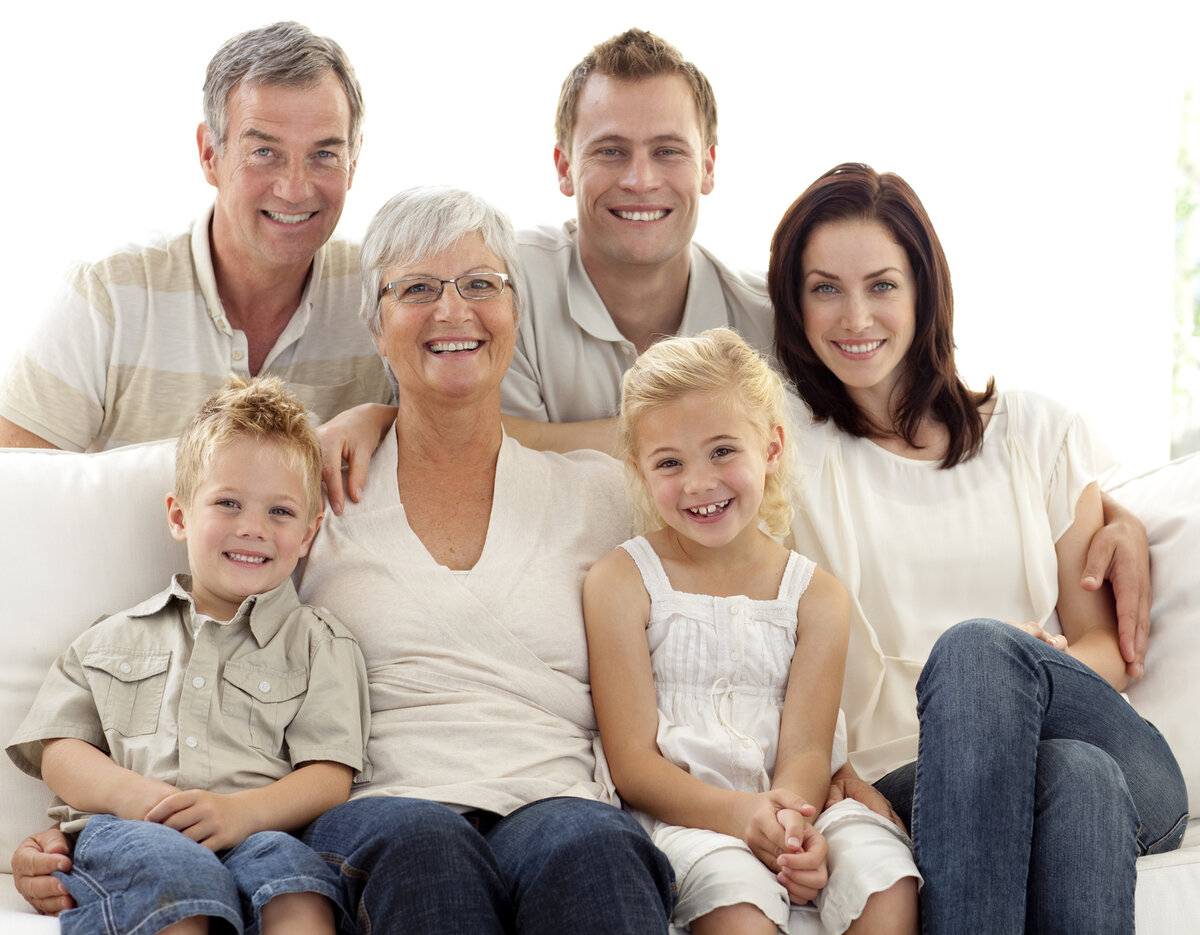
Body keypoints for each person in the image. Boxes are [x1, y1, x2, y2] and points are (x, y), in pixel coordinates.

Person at [768, 163, 1188, 931]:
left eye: (883, 285)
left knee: (980, 657)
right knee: (1076, 776)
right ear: (794, 303)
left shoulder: (1035, 431)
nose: (855, 315)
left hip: (1126, 763)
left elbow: (1103, 646)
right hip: (907, 778)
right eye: (825, 287)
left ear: (926, 290)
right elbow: (645, 429)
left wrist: (1021, 662)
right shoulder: (780, 449)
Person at [6, 375, 371, 935]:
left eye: (280, 512)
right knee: (175, 879)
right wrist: (137, 797)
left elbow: (328, 775)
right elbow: (59, 748)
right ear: (179, 516)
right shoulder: (112, 638)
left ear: (308, 533)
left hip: (260, 831)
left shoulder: (319, 643)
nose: (253, 528)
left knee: (299, 889)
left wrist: (243, 813)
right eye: (228, 503)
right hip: (133, 830)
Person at [584, 328, 919, 934]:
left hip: (800, 804)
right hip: (686, 817)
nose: (698, 483)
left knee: (884, 876)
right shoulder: (621, 581)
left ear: (770, 447)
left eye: (721, 451)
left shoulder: (817, 596)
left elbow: (809, 750)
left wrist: (790, 823)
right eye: (669, 462)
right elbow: (633, 763)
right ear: (638, 467)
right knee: (735, 899)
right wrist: (745, 817)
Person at [0, 21, 392, 453]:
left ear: (353, 163)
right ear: (210, 155)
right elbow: (16, 488)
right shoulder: (108, 295)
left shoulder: (382, 294)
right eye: (264, 153)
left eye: (324, 154)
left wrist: (384, 418)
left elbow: (464, 433)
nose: (294, 189)